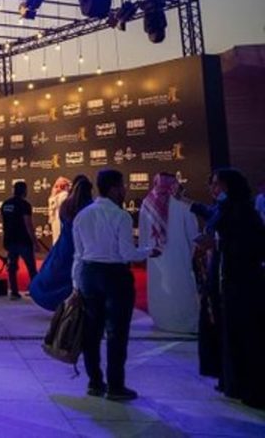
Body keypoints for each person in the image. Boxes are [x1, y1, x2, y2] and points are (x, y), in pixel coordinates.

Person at [72, 168, 160, 401]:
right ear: (113, 189)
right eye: (122, 186)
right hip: (115, 276)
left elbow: (78, 254)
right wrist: (149, 251)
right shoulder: (121, 216)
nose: (125, 190)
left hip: (89, 274)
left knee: (91, 332)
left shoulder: (82, 215)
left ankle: (94, 382)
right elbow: (127, 253)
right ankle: (116, 386)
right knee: (116, 333)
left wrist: (76, 284)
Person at [194, 168, 265, 409]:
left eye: (217, 185)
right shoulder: (224, 210)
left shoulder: (244, 212)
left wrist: (216, 244)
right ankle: (231, 381)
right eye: (212, 185)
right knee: (227, 334)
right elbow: (213, 217)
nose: (213, 189)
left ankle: (249, 387)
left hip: (242, 283)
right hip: (223, 282)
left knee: (246, 337)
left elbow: (251, 247)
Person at [138, 172, 199, 333]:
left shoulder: (147, 203)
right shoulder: (182, 203)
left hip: (156, 257)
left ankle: (162, 320)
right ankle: (183, 322)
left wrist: (147, 252)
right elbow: (193, 233)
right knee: (181, 288)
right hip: (179, 256)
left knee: (160, 289)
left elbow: (143, 234)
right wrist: (190, 252)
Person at [29, 174, 92, 311]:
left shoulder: (67, 203)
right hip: (82, 244)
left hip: (65, 243)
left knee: (59, 272)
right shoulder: (88, 206)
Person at [0, 181, 38, 300]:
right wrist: (35, 242)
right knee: (31, 268)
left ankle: (14, 292)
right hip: (23, 241)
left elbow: (4, 223)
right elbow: (28, 224)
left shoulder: (5, 204)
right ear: (24, 191)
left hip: (10, 240)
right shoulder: (25, 205)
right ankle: (35, 291)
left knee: (12, 268)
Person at [48, 176, 71, 245]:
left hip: (61, 219)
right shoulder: (55, 196)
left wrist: (54, 196)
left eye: (59, 185)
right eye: (56, 186)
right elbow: (51, 206)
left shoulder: (65, 195)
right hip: (55, 219)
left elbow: (57, 204)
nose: (57, 188)